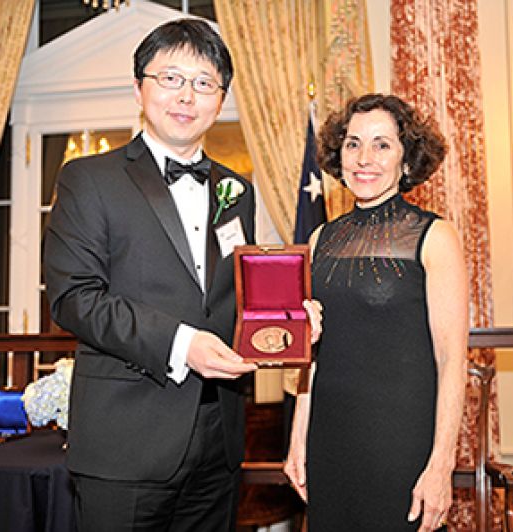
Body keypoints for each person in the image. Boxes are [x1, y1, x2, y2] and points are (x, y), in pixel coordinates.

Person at [44, 19, 323, 532]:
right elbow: (74, 299)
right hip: (124, 445)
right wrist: (182, 344)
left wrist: (289, 318)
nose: (186, 96)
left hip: (219, 444)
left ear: (221, 99)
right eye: (170, 78)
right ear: (139, 88)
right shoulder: (89, 179)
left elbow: (235, 295)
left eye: (203, 82)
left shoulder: (237, 189)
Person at [284, 93, 469, 532]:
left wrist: (441, 464)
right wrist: (297, 438)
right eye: (353, 143)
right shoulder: (318, 240)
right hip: (328, 444)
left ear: (407, 159)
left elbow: (452, 361)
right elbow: (310, 354)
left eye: (382, 144)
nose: (365, 158)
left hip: (400, 447)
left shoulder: (434, 236)